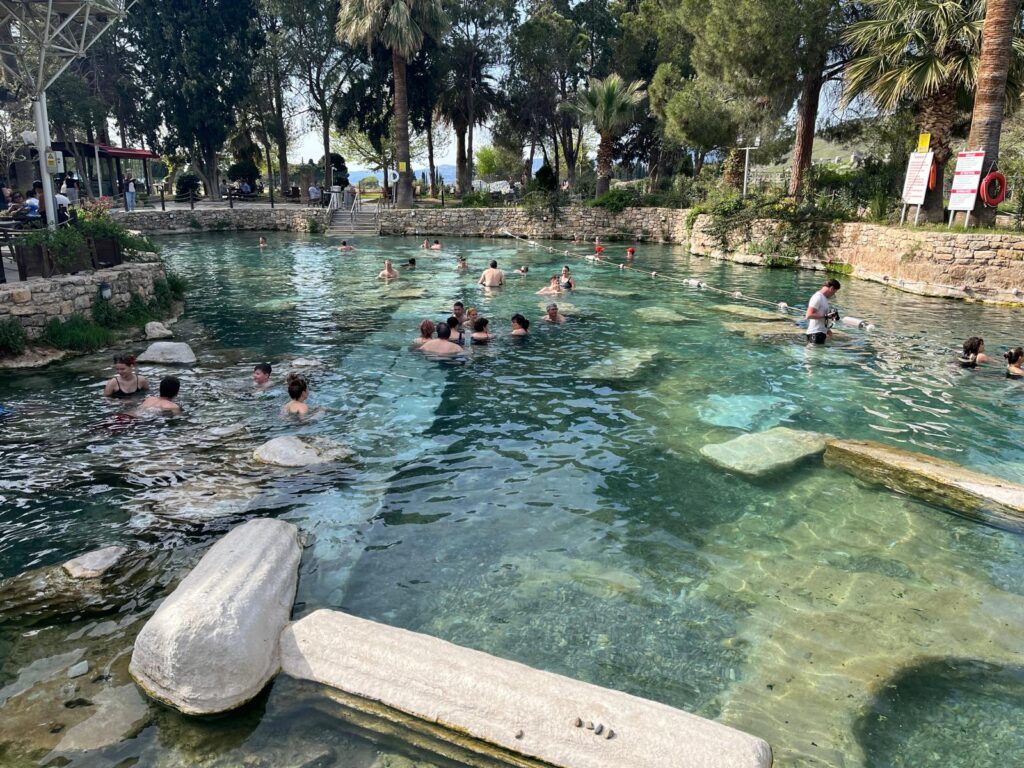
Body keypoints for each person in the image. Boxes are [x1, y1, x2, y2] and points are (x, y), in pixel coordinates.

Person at [805, 278, 841, 345]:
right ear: (831, 288)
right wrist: (826, 316)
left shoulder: (823, 298)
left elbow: (821, 316)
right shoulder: (817, 297)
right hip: (815, 334)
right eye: (834, 292)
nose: (833, 294)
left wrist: (827, 330)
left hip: (819, 333)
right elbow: (808, 315)